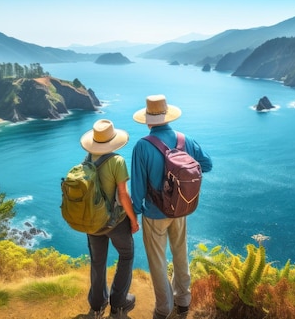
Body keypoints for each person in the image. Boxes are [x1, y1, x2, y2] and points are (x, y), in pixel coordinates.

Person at [130, 95, 213, 319]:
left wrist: (133, 216)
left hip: (155, 214)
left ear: (148, 120)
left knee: (158, 261)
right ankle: (183, 301)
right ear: (167, 116)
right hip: (182, 210)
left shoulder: (142, 146)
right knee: (180, 254)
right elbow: (207, 165)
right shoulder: (185, 140)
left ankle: (163, 308)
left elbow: (137, 190)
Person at [79, 119, 140, 318]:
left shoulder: (86, 160)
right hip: (115, 223)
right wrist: (133, 220)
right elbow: (123, 196)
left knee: (98, 261)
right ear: (113, 140)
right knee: (126, 255)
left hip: (92, 222)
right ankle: (119, 303)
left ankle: (97, 306)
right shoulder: (117, 161)